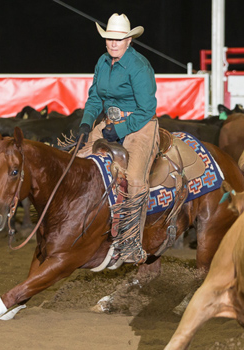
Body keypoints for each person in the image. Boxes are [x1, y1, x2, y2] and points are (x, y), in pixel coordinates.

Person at [76, 13, 160, 265]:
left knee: (134, 179)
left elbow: (147, 109)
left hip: (140, 126)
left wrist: (120, 131)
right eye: (109, 38)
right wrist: (85, 123)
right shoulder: (102, 62)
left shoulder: (139, 66)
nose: (114, 43)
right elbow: (94, 98)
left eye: (119, 39)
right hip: (110, 123)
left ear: (129, 41)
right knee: (79, 161)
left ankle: (132, 243)